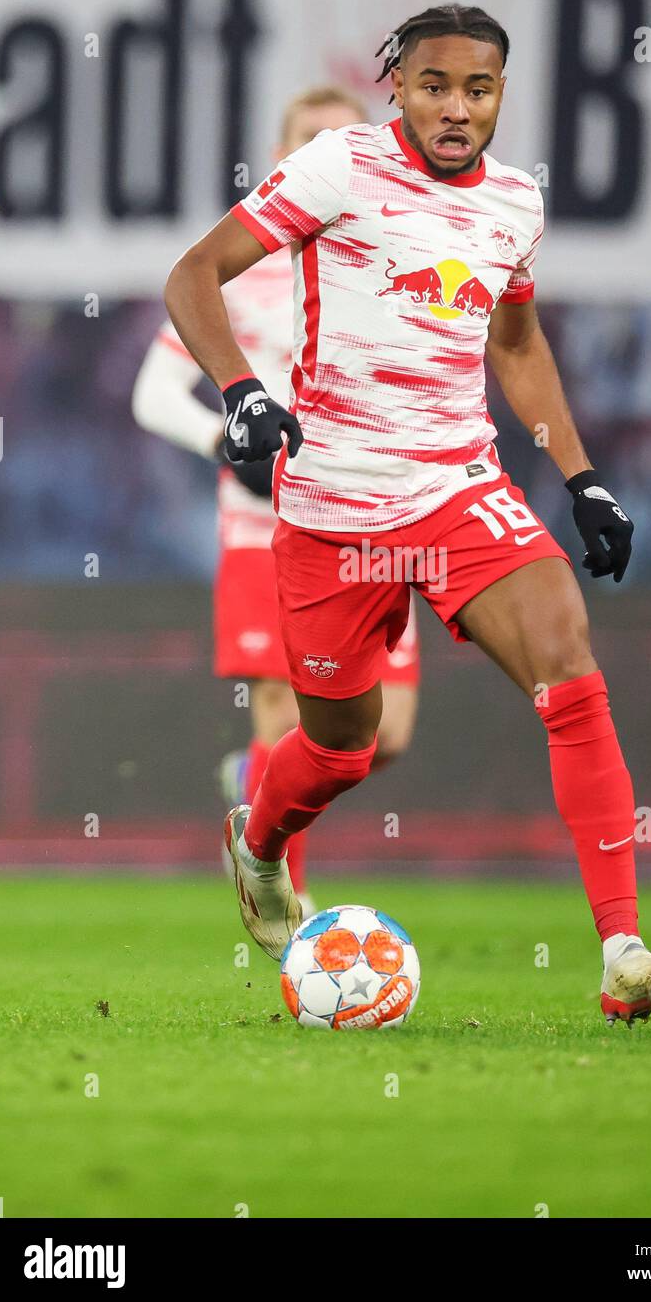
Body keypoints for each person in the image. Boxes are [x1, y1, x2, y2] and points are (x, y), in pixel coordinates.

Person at [164, 4, 651, 1026]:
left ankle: (623, 951)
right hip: (331, 505)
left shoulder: (513, 203)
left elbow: (513, 345)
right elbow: (193, 273)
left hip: (458, 487)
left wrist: (582, 477)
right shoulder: (338, 169)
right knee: (340, 748)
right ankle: (261, 843)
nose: (456, 108)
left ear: (502, 94)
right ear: (398, 89)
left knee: (568, 665)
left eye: (479, 88)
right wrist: (240, 390)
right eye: (434, 86)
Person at [134, 86, 420, 914]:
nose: (327, 151)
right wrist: (223, 441)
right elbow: (153, 394)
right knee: (278, 708)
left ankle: (254, 783)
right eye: (309, 139)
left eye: (342, 138)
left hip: (372, 526)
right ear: (284, 156)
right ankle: (289, 916)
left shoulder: (388, 270)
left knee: (377, 735)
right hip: (264, 528)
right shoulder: (243, 273)